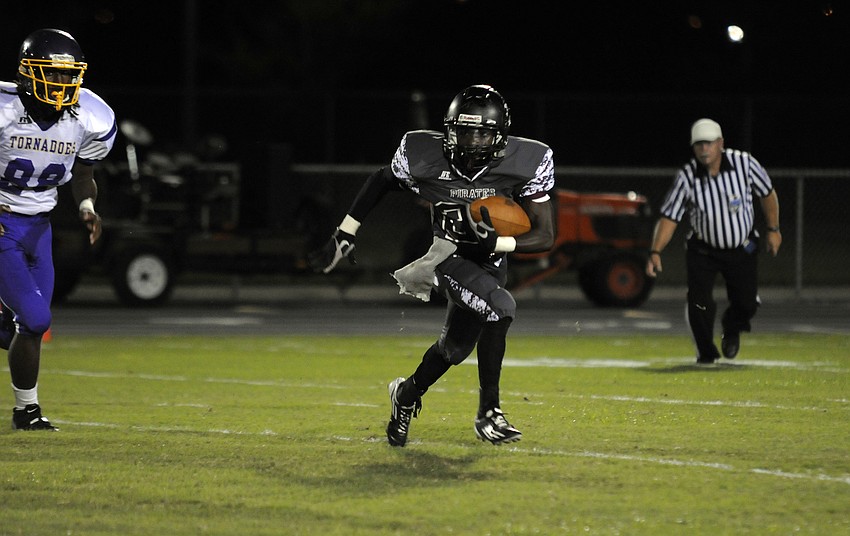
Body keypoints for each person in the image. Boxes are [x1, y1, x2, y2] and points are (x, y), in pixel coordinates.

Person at [309, 85, 555, 446]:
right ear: (449, 130)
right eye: (464, 131)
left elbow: (545, 236)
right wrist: (346, 231)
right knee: (501, 307)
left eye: (482, 133)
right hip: (447, 256)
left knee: (453, 350)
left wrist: (496, 243)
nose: (472, 142)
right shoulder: (424, 153)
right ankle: (490, 413)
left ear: (500, 136)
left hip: (490, 265)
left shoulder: (528, 159)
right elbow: (381, 180)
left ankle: (405, 394)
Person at [0, 29, 117, 430]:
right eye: (51, 73)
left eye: (68, 75)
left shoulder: (89, 116)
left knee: (29, 326)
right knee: (35, 319)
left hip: (40, 226)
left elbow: (83, 175)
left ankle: (27, 411)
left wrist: (87, 206)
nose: (61, 83)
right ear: (27, 73)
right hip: (3, 223)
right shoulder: (5, 109)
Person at [646, 118, 781, 364]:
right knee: (699, 303)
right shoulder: (688, 176)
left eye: (708, 143)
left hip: (742, 247)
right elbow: (670, 217)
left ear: (720, 143)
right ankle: (706, 353)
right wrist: (655, 251)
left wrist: (773, 229)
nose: (704, 149)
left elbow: (767, 194)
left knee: (746, 303)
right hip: (703, 250)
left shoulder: (744, 163)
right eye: (699, 144)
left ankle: (732, 328)